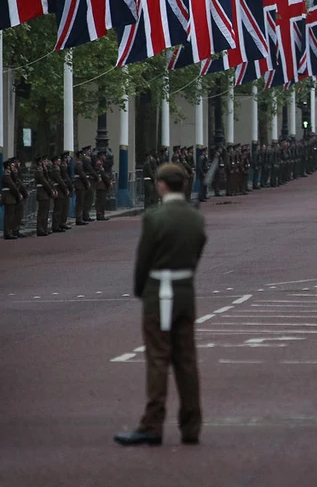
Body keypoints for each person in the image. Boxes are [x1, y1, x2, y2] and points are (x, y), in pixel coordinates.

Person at [115, 162, 207, 447]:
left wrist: (141, 290)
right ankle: (191, 426)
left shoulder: (155, 217)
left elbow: (144, 259)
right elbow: (197, 252)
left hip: (159, 291)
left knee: (158, 360)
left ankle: (152, 424)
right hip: (184, 291)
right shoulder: (195, 219)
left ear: (162, 185)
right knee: (186, 361)